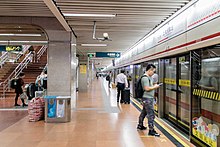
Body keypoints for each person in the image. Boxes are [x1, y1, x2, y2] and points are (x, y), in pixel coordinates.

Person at [137, 64, 161, 136]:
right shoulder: (145, 78)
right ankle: (151, 130)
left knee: (144, 112)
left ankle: (140, 125)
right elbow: (146, 88)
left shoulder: (149, 77)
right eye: (153, 71)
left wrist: (154, 85)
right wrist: (155, 87)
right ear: (150, 70)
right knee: (151, 114)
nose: (153, 73)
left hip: (148, 98)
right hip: (147, 98)